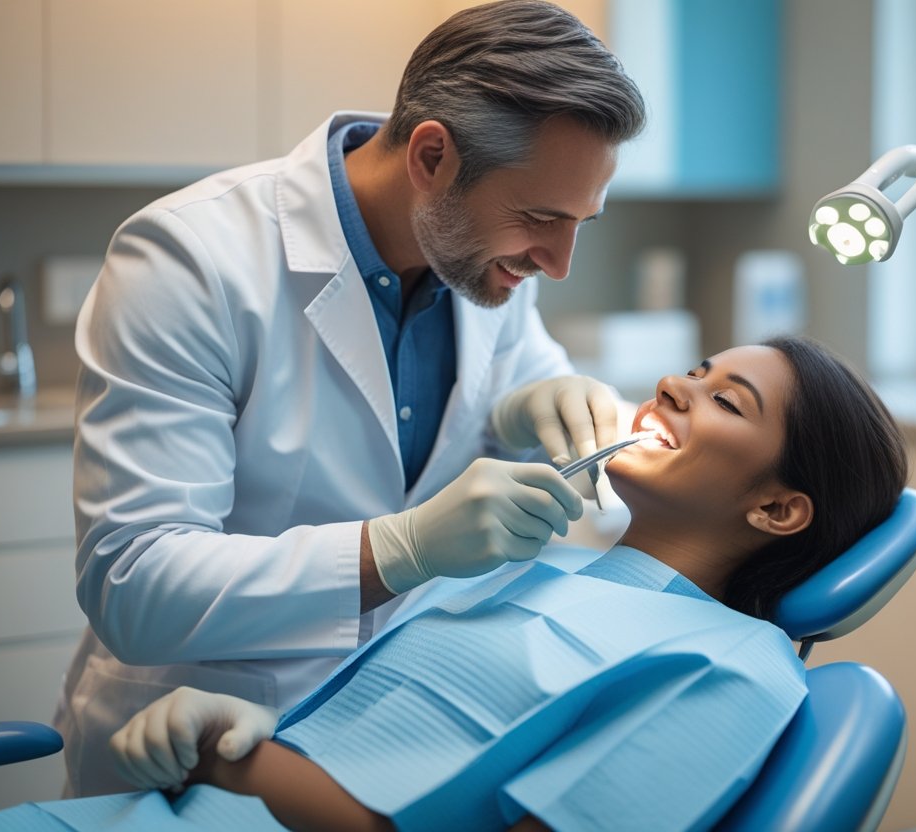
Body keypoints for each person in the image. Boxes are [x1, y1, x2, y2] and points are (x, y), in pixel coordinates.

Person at [54, 0, 647, 797]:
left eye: (582, 222)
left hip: (384, 747)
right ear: (432, 156)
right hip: (185, 753)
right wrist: (397, 551)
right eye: (541, 218)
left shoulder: (482, 257)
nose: (559, 260)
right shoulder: (191, 260)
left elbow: (520, 385)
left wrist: (535, 404)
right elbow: (136, 583)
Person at [0, 337, 908, 831]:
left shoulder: (736, 674)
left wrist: (224, 751)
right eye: (695, 369)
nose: (672, 387)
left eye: (724, 399)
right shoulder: (537, 563)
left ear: (781, 511)